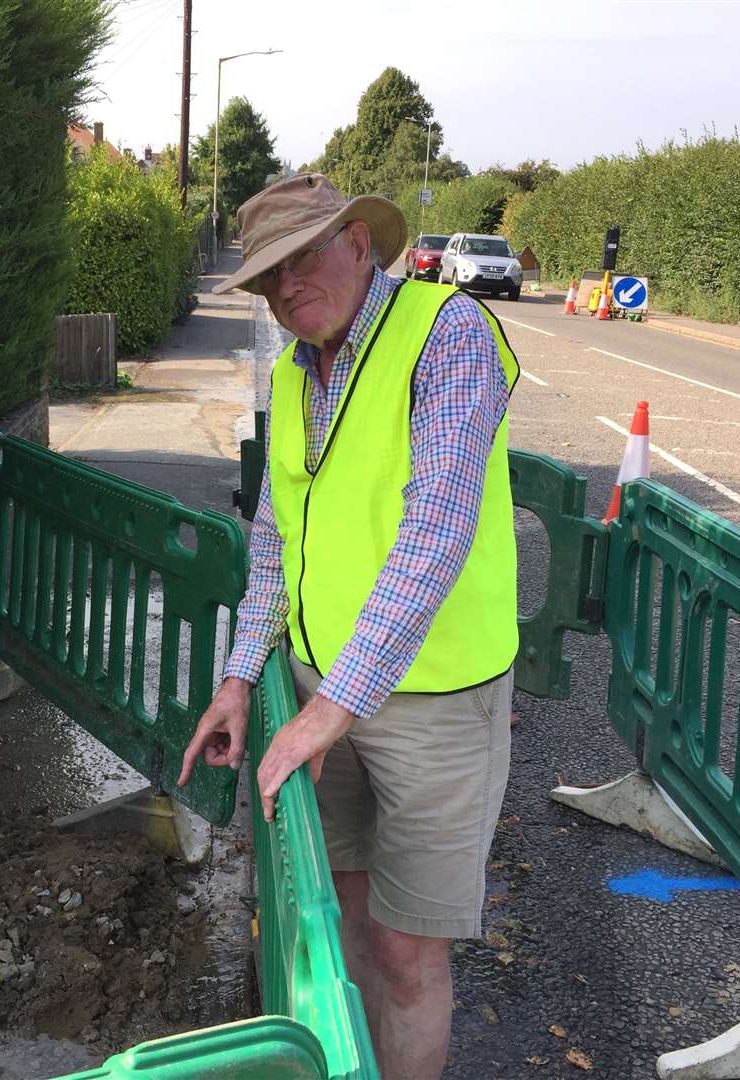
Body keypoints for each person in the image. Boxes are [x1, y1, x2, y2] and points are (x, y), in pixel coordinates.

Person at [177, 173, 522, 1079]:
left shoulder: (446, 335)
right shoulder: (297, 373)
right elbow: (276, 539)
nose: (288, 287)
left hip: (436, 705)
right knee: (343, 919)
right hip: (320, 690)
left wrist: (333, 707)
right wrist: (241, 678)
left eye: (305, 257)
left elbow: (435, 529)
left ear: (361, 244)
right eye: (268, 276)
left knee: (408, 953)